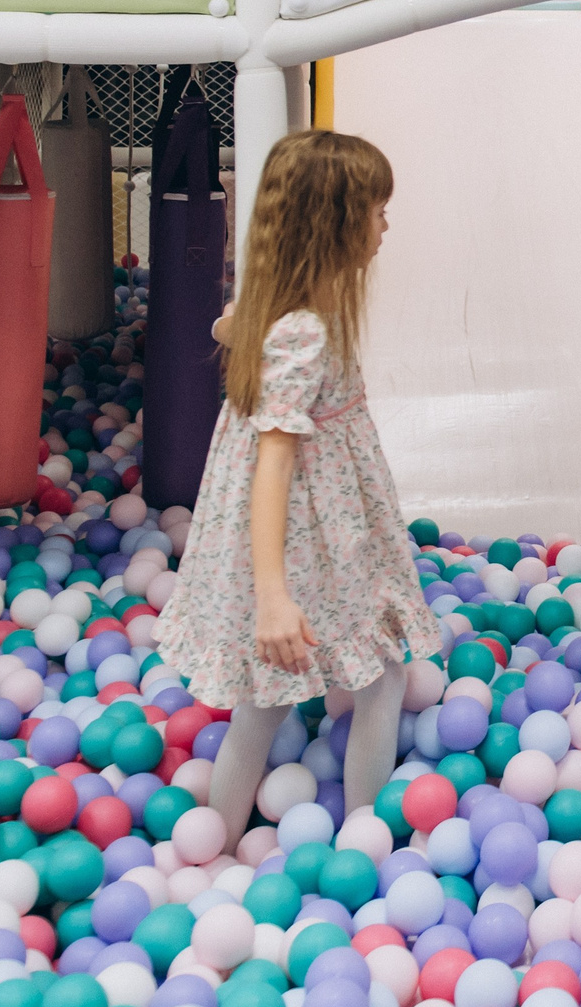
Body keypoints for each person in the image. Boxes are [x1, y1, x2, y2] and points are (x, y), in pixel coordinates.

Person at [155, 129, 443, 851]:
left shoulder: (276, 311)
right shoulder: (305, 331)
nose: (385, 225)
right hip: (311, 537)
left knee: (263, 700)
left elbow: (231, 325)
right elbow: (272, 466)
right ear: (336, 225)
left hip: (322, 530)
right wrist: (274, 596)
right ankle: (363, 840)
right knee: (377, 678)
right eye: (376, 211)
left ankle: (214, 845)